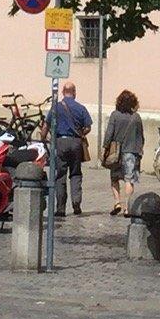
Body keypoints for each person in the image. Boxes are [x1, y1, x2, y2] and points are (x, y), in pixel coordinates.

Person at [52, 79, 93, 216]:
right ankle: (76, 203)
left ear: (63, 92)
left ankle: (60, 208)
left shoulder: (56, 107)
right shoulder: (81, 108)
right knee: (75, 173)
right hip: (76, 143)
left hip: (60, 142)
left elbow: (47, 124)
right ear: (74, 93)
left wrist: (44, 139)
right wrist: (81, 133)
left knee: (60, 175)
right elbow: (88, 127)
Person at [102, 89, 144, 215]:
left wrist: (105, 147)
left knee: (114, 178)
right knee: (128, 180)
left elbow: (109, 133)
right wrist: (140, 150)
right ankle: (127, 207)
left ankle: (117, 202)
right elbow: (141, 136)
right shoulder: (136, 117)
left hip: (117, 153)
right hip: (132, 152)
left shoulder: (115, 115)